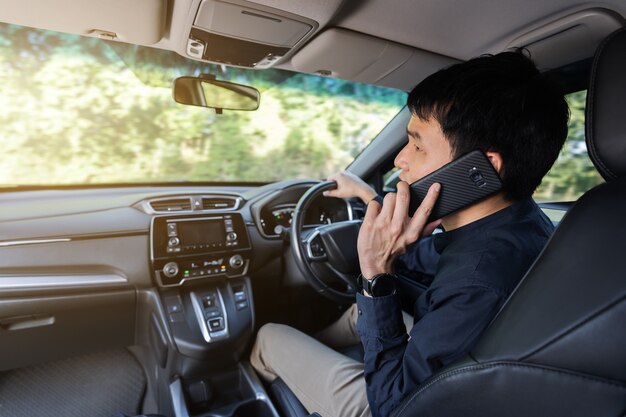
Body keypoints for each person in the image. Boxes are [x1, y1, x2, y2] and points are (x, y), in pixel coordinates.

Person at [250, 51, 569, 417]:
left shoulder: (478, 279)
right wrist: (372, 200)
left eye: (417, 145)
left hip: (399, 404)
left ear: (480, 170)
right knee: (361, 313)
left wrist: (374, 273)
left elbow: (393, 406)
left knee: (269, 336)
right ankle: (310, 359)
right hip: (468, 370)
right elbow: (427, 256)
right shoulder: (512, 224)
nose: (400, 159)